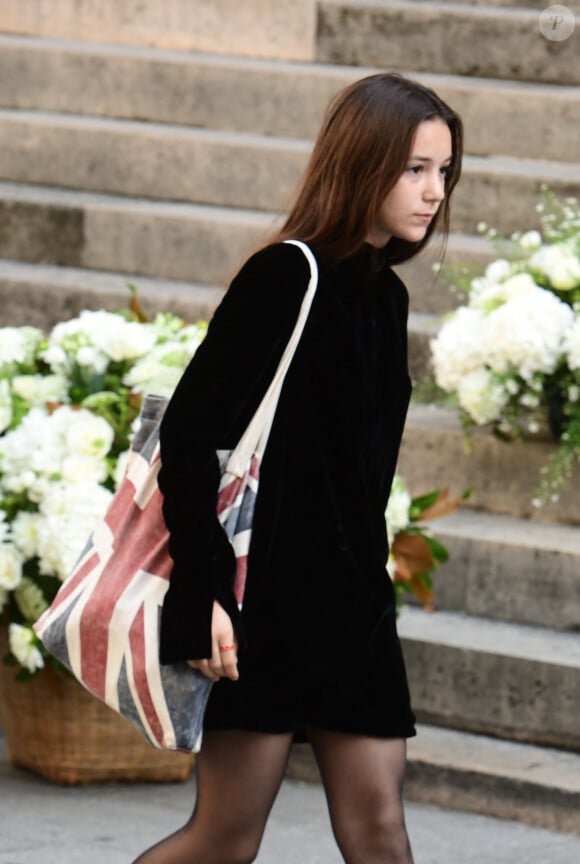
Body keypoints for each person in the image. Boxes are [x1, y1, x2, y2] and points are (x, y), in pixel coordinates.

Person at [133, 72, 463, 864]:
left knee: (381, 832)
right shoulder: (287, 276)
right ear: (362, 164)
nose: (433, 192)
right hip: (263, 607)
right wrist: (204, 588)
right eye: (414, 169)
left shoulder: (385, 298)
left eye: (445, 171)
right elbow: (189, 436)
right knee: (225, 840)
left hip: (350, 609)